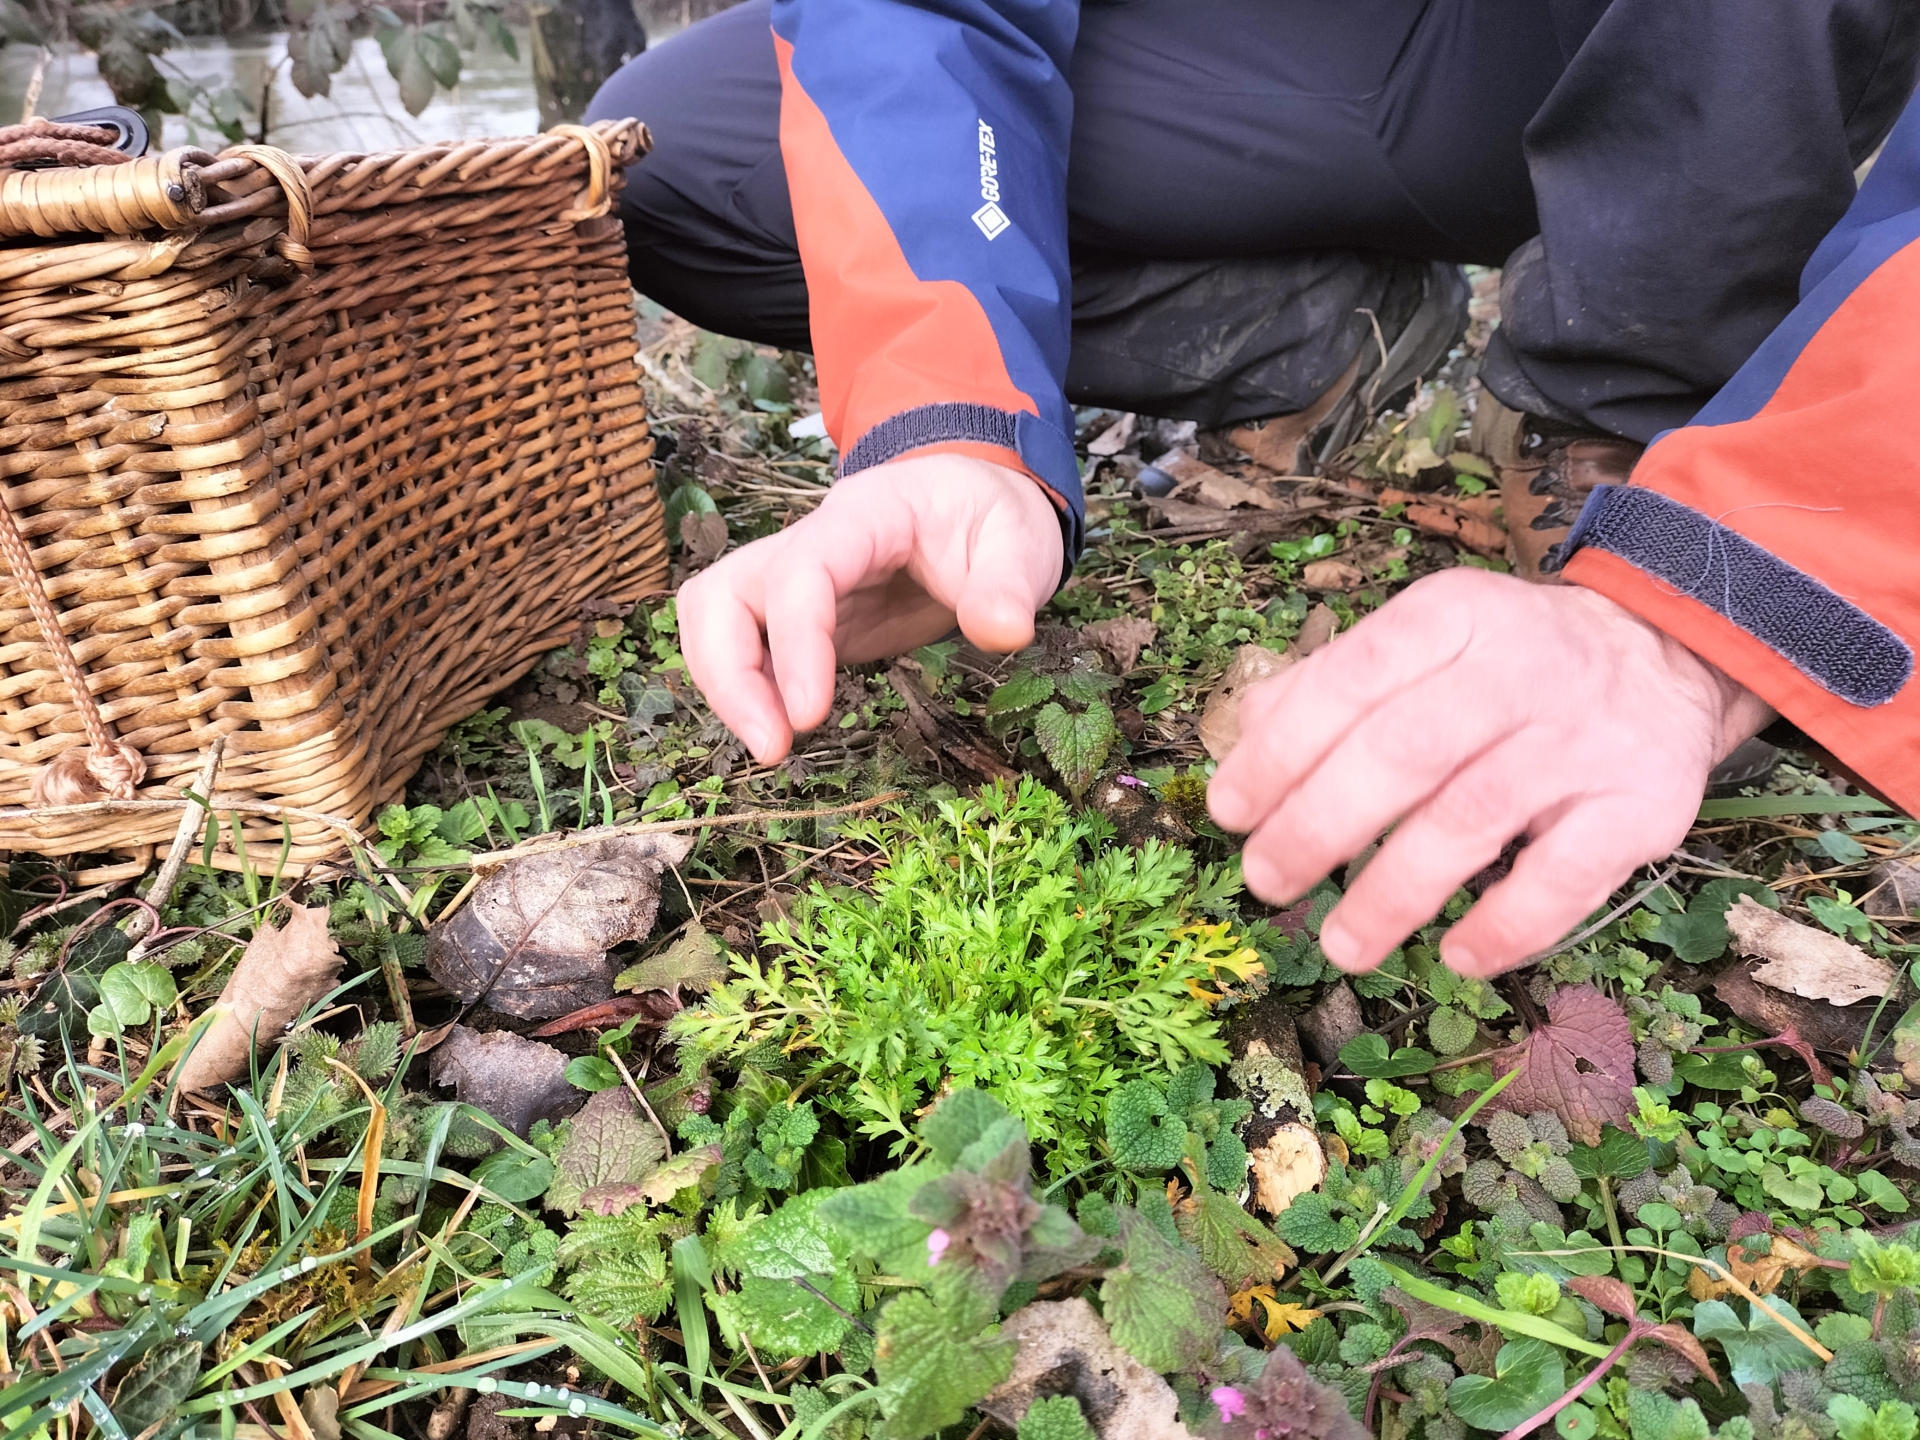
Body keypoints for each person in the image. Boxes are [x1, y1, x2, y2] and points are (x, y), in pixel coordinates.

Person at [587, 1, 1920, 978]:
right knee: (696, 147)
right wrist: (945, 421)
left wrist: (1736, 584)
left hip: (1652, 40)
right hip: (1308, 47)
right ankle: (1323, 328)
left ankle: (1620, 387)